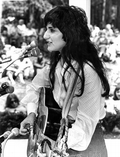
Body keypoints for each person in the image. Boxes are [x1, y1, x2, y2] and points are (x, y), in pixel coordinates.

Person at [19, 5, 110, 157]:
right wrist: (32, 114)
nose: (45, 35)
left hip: (84, 143)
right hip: (62, 138)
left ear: (70, 34)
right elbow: (34, 89)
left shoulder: (88, 71)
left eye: (52, 30)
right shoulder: (57, 65)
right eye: (47, 29)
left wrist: (54, 147)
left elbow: (85, 124)